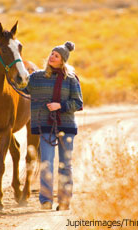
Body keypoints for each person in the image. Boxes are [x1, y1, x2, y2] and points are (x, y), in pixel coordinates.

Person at [23, 41, 83, 211]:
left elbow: (78, 103)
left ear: (63, 60)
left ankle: (64, 202)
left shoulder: (71, 79)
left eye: (56, 56)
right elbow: (23, 89)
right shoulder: (37, 77)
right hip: (45, 125)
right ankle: (46, 201)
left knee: (65, 165)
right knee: (46, 164)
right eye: (51, 54)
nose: (52, 57)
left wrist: (60, 106)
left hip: (67, 126)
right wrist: (13, 73)